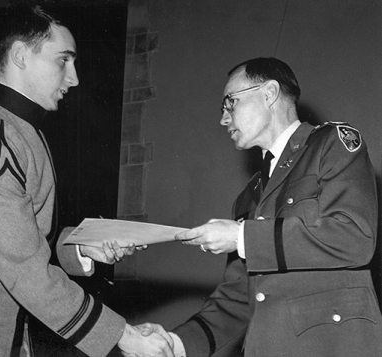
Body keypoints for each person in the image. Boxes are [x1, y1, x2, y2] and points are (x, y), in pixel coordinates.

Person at [0, 5, 173, 357]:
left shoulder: (20, 132)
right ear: (19, 56)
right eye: (64, 60)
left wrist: (81, 247)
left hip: (0, 339)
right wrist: (123, 335)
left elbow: (21, 237)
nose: (73, 78)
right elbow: (22, 266)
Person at [140, 57, 382, 356]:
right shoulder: (248, 196)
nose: (223, 119)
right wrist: (175, 344)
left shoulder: (331, 145)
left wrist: (241, 237)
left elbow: (354, 237)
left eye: (231, 103)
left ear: (268, 93)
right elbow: (239, 299)